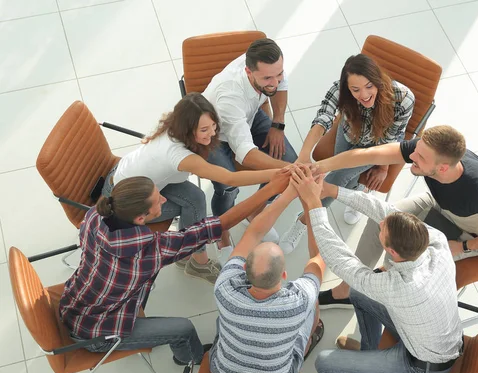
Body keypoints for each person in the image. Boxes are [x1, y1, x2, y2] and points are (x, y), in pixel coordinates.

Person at [60, 173, 289, 366]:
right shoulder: (151, 249)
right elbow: (219, 225)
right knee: (184, 329)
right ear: (140, 218)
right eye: (158, 200)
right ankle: (190, 359)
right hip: (97, 334)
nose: (163, 198)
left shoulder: (94, 215)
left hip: (73, 301)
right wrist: (270, 189)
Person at [289, 165, 462, 373]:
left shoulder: (399, 287)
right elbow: (385, 211)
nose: (380, 223)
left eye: (382, 230)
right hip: (422, 332)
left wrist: (313, 205)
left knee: (325, 363)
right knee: (359, 293)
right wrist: (329, 189)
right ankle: (367, 354)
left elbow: (340, 260)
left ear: (390, 251)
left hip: (422, 367)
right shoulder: (436, 241)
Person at [314, 125, 478, 309]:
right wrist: (320, 167)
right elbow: (372, 154)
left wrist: (464, 247)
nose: (412, 156)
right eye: (416, 151)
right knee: (380, 221)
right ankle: (347, 291)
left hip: (468, 233)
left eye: (420, 157)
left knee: (398, 254)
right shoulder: (428, 152)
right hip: (439, 204)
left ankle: (375, 301)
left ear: (442, 168)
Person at [102, 93, 280, 279]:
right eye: (204, 129)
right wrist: (279, 174)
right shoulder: (178, 155)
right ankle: (198, 262)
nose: (212, 133)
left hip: (133, 178)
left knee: (195, 197)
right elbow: (230, 179)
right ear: (187, 130)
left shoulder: (175, 124)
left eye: (213, 125)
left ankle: (189, 254)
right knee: (194, 204)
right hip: (127, 199)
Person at [279, 53, 414, 254]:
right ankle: (358, 190)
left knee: (339, 176)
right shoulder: (339, 89)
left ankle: (304, 220)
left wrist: (382, 167)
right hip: (350, 133)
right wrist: (304, 154)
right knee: (346, 179)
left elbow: (390, 141)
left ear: (377, 80)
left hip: (375, 147)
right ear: (347, 87)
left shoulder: (403, 99)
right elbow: (323, 117)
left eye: (369, 86)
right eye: (355, 90)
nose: (364, 95)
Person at [210, 172, 325, 373]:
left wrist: (288, 193)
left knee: (222, 319)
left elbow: (254, 232)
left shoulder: (224, 289)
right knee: (313, 305)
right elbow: (318, 257)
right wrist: (313, 201)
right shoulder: (299, 301)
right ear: (284, 275)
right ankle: (311, 338)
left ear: (243, 269)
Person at [203, 38, 298, 242]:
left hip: (250, 116)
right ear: (248, 72)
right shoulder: (229, 96)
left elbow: (281, 84)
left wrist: (278, 124)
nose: (275, 82)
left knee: (288, 160)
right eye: (267, 79)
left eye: (279, 74)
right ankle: (222, 231)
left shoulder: (270, 68)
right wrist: (290, 171)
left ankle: (254, 214)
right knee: (227, 188)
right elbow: (245, 154)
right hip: (214, 135)